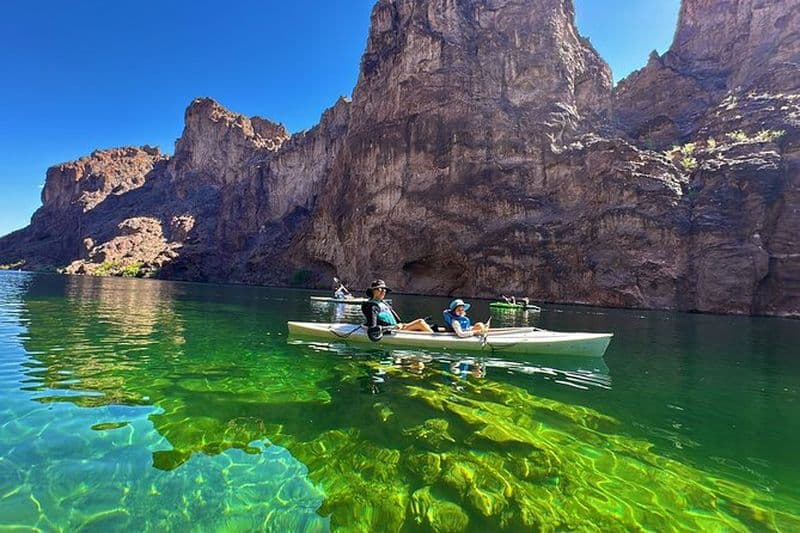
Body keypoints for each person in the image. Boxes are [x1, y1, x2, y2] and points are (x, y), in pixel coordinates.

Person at [361, 279, 433, 340]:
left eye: (384, 290)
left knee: (426, 324)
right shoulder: (371, 306)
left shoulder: (384, 304)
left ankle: (433, 334)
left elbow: (397, 321)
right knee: (420, 322)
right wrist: (393, 327)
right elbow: (373, 326)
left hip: (397, 328)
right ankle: (433, 338)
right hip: (392, 330)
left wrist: (399, 325)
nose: (383, 291)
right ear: (373, 291)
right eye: (380, 289)